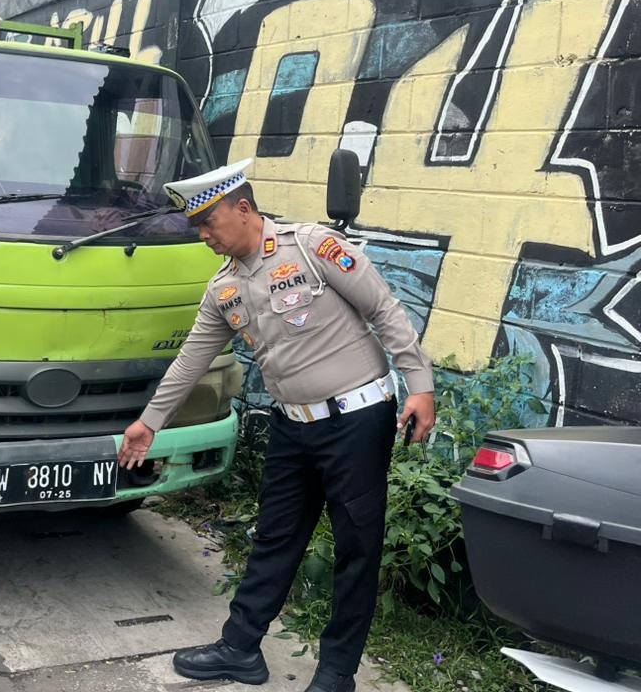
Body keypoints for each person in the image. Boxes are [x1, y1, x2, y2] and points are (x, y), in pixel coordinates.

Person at [119, 158, 436, 692]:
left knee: (357, 547)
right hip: (292, 426)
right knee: (275, 536)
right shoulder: (224, 288)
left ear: (243, 209)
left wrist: (420, 383)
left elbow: (384, 309)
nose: (203, 236)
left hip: (357, 420)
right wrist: (149, 423)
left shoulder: (312, 248)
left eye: (208, 222)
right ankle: (240, 648)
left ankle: (337, 672)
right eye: (196, 226)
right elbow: (190, 360)